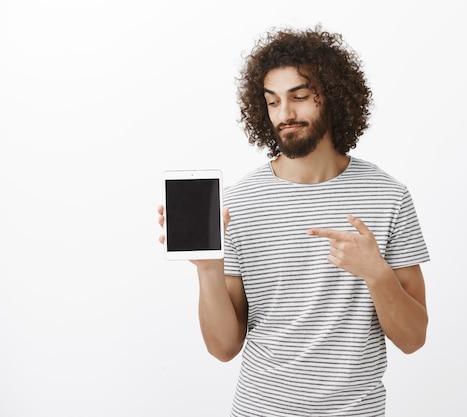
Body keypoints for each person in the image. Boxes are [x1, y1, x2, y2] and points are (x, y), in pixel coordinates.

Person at [158, 26, 430, 417]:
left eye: (299, 97)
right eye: (272, 102)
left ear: (334, 97)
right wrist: (208, 269)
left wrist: (376, 273)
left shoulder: (388, 196)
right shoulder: (238, 204)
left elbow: (414, 338)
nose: (284, 114)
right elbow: (223, 348)